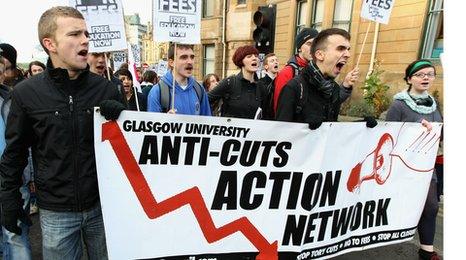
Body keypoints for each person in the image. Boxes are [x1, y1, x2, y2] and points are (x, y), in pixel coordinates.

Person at [0, 6, 125, 260]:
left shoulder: (106, 89)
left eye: (86, 34)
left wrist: (123, 120)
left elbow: (126, 153)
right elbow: (15, 154)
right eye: (75, 34)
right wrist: (9, 200)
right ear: (50, 44)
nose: (86, 41)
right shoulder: (26, 94)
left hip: (104, 208)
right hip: (56, 213)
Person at [385, 59, 442, 260]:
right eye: (420, 74)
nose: (425, 77)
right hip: (403, 166)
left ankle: (427, 251)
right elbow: (388, 135)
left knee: (432, 205)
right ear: (409, 79)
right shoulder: (399, 104)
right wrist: (416, 127)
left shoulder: (434, 105)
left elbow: (438, 132)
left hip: (426, 166)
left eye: (430, 74)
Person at [276, 28, 375, 129]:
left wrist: (360, 126)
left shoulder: (334, 89)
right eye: (340, 48)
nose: (348, 55)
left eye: (348, 49)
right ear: (320, 55)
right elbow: (280, 134)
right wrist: (305, 127)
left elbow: (332, 129)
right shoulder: (294, 88)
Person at [0, 44, 34, 260]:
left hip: (12, 179)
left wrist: (29, 175)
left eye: (3, 67)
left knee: (14, 235)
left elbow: (23, 142)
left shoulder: (13, 100)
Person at [147, 43, 211, 116]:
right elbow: (152, 125)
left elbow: (207, 123)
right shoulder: (157, 92)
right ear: (171, 62)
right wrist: (165, 122)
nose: (190, 61)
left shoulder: (199, 89)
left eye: (192, 57)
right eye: (184, 57)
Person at [208, 45, 267, 119]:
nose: (254, 58)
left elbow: (265, 114)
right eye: (249, 56)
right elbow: (206, 100)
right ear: (241, 61)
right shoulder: (230, 82)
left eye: (256, 56)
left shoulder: (261, 87)